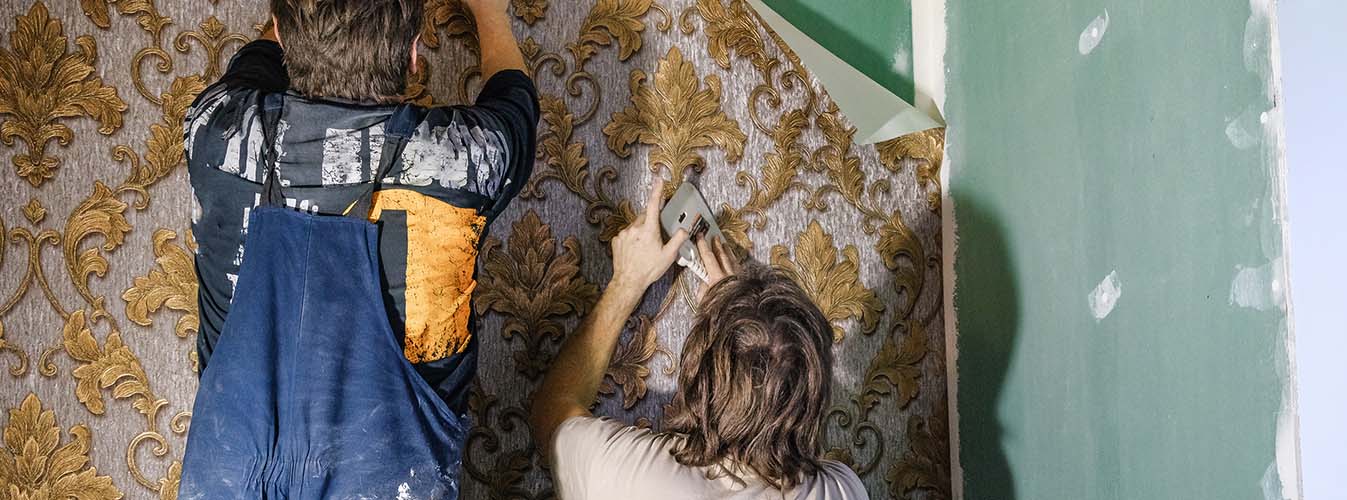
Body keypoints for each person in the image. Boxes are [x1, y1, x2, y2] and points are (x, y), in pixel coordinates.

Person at [178, 0, 535, 497]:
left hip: (231, 478)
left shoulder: (216, 131)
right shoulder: (463, 157)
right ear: (414, 54)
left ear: (281, 32)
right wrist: (489, 13)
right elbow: (514, 100)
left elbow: (255, 62)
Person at [530, 178, 870, 500]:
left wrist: (627, 283)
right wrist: (736, 316)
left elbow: (553, 414)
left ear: (695, 377)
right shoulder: (842, 490)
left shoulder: (632, 475)